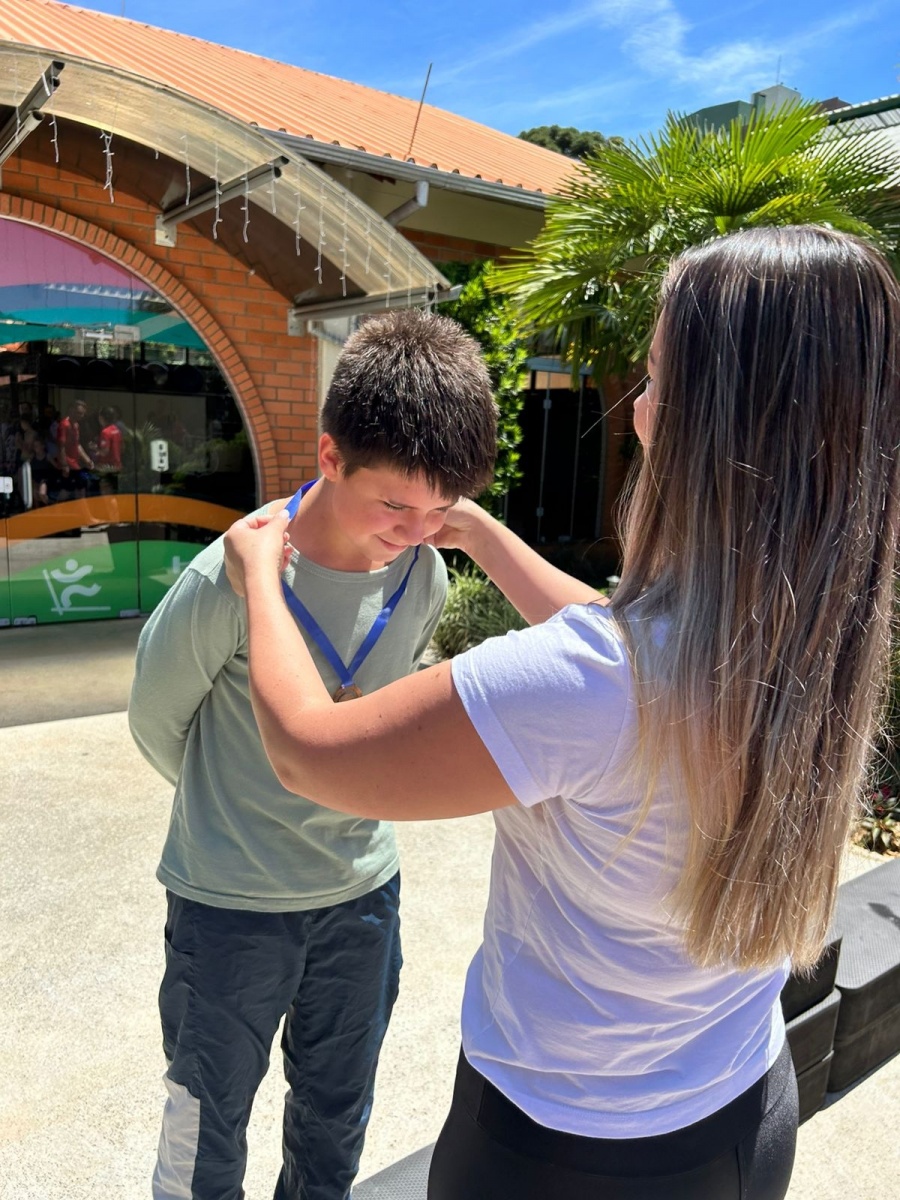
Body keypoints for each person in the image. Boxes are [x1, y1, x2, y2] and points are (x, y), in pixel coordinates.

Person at [224, 226, 900, 1200]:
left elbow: (307, 750)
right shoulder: (814, 636)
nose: (638, 410)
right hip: (745, 1112)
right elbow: (632, 655)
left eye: (657, 378)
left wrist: (258, 573)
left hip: (558, 1152)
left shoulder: (588, 684)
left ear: (714, 422)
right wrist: (477, 532)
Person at [128, 308, 498, 1200]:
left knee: (336, 1118)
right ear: (331, 456)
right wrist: (235, 805)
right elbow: (157, 720)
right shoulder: (234, 573)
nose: (415, 529)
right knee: (206, 1126)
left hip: (361, 896)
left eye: (439, 510)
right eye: (395, 504)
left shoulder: (424, 572)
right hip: (230, 903)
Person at [56, 398, 94, 498]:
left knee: (80, 488)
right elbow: (61, 446)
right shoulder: (64, 424)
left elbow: (77, 445)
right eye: (79, 413)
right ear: (71, 410)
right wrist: (64, 465)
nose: (81, 416)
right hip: (68, 465)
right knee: (67, 490)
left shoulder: (76, 425)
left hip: (75, 464)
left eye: (82, 414)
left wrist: (87, 460)